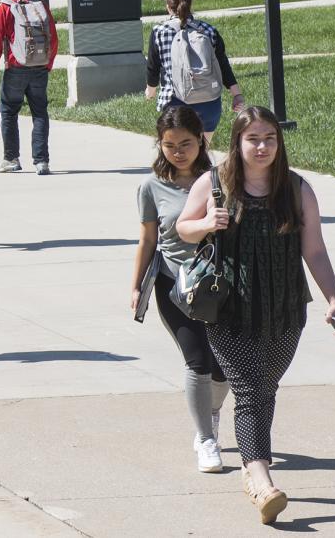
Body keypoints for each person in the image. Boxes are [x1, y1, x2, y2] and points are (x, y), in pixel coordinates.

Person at [174, 106, 335, 526]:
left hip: (286, 308)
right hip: (230, 309)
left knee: (266, 386)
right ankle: (260, 479)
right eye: (253, 139)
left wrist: (333, 299)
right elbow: (182, 227)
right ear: (237, 142)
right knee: (251, 389)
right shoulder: (214, 182)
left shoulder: (296, 189)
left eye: (270, 137)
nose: (263, 146)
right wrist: (205, 223)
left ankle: (256, 470)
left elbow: (315, 250)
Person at [130, 105, 230, 475]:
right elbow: (147, 239)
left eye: (186, 143)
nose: (178, 151)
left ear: (201, 139)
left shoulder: (220, 179)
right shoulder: (151, 187)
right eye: (169, 145)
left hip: (218, 283)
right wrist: (137, 285)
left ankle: (212, 412)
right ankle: (206, 439)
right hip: (174, 285)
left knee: (223, 366)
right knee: (198, 360)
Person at [145, 0, 246, 136]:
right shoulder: (209, 30)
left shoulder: (159, 32)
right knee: (203, 152)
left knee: (180, 152)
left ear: (168, 7)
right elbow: (223, 65)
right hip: (209, 103)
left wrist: (151, 91)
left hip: (175, 103)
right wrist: (236, 95)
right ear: (190, 3)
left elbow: (153, 67)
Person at [0, 0, 55, 175]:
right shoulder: (39, 4)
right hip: (40, 67)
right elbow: (54, 38)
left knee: (8, 112)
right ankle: (41, 161)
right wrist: (47, 65)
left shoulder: (5, 7)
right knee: (40, 113)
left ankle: (11, 158)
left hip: (16, 67)